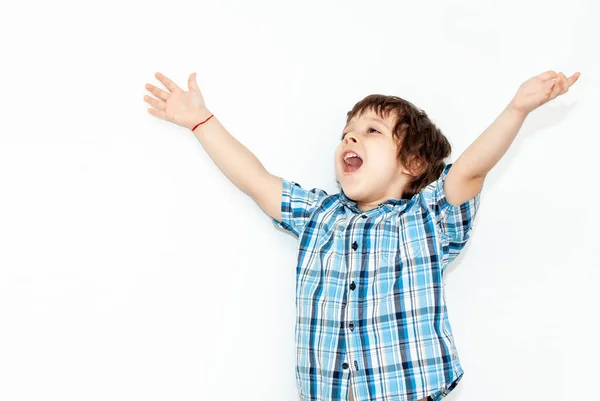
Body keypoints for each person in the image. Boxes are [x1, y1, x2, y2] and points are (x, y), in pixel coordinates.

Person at [143, 70, 580, 401]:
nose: (351, 136)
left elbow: (471, 169)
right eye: (347, 133)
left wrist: (517, 109)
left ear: (410, 162)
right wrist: (201, 121)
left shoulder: (426, 217)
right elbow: (256, 179)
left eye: (372, 131)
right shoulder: (321, 215)